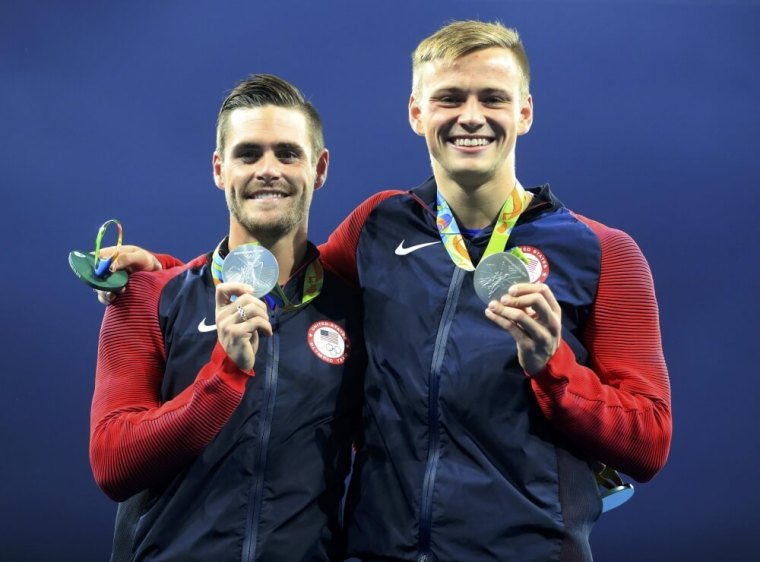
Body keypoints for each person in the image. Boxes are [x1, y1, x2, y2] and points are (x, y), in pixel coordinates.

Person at [104, 20, 672, 562]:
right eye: (449, 97)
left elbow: (648, 443)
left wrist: (555, 371)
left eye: (493, 98)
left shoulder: (603, 252)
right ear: (416, 113)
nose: (471, 116)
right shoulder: (379, 226)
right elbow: (289, 279)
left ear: (524, 111)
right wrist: (166, 274)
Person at [89, 73, 365, 562]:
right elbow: (114, 463)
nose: (267, 169)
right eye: (247, 154)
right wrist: (224, 376)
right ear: (220, 169)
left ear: (319, 169)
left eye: (287, 153)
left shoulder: (353, 310)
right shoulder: (147, 297)